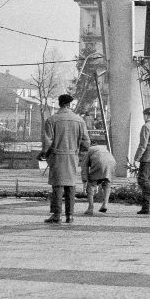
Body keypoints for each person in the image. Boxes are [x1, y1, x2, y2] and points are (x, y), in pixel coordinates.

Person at [40, 94, 91, 224]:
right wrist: (79, 154)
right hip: (72, 156)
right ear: (69, 104)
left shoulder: (52, 120)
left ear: (59, 104)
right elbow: (86, 142)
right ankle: (70, 215)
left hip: (57, 156)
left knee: (57, 186)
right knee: (70, 185)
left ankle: (57, 215)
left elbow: (47, 142)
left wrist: (44, 153)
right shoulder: (79, 120)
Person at [82, 144, 117, 215]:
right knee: (107, 183)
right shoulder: (103, 148)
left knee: (91, 186)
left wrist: (85, 179)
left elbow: (84, 167)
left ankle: (90, 208)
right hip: (112, 161)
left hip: (99, 161)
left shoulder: (89, 150)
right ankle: (105, 205)